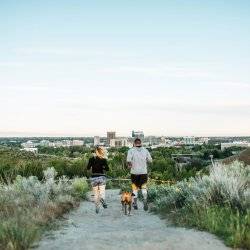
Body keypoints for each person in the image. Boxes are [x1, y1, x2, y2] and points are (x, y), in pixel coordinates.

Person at [126, 138, 152, 211]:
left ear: (134, 143)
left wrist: (130, 165)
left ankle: (135, 202)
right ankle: (145, 200)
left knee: (135, 189)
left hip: (134, 173)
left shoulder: (131, 150)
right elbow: (150, 160)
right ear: (141, 143)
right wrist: (145, 160)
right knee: (144, 187)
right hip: (143, 172)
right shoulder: (145, 150)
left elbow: (128, 161)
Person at [87, 146, 109, 214]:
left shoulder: (91, 159)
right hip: (102, 177)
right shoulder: (103, 159)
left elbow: (88, 168)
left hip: (94, 177)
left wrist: (92, 166)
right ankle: (102, 199)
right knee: (102, 192)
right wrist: (103, 166)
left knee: (96, 194)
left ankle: (97, 207)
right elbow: (107, 169)